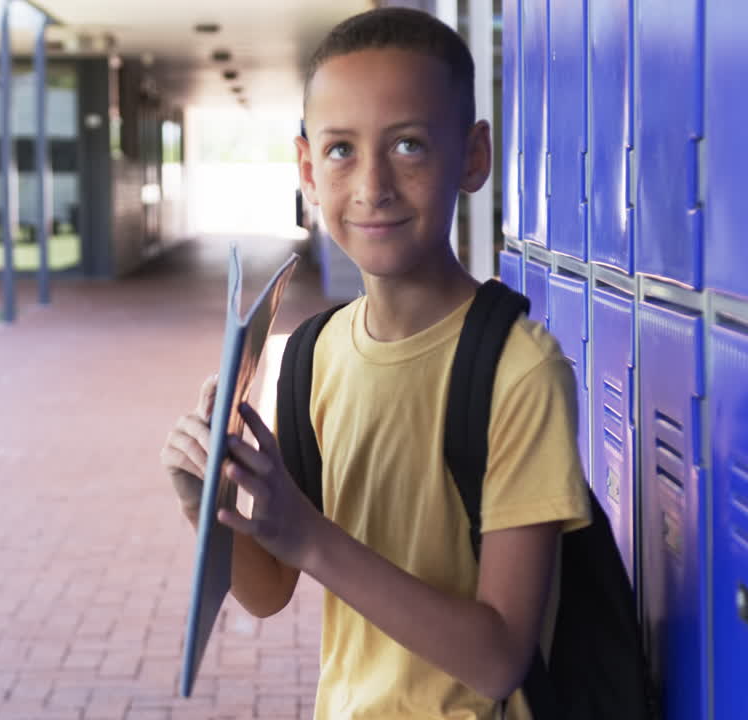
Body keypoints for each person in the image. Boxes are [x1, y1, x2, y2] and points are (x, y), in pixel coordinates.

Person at [160, 8, 590, 719]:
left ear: (474, 156)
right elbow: (269, 589)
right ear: (306, 167)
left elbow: (499, 657)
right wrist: (202, 499)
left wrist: (310, 534)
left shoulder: (520, 369)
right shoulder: (310, 355)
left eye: (411, 145)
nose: (373, 185)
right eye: (340, 151)